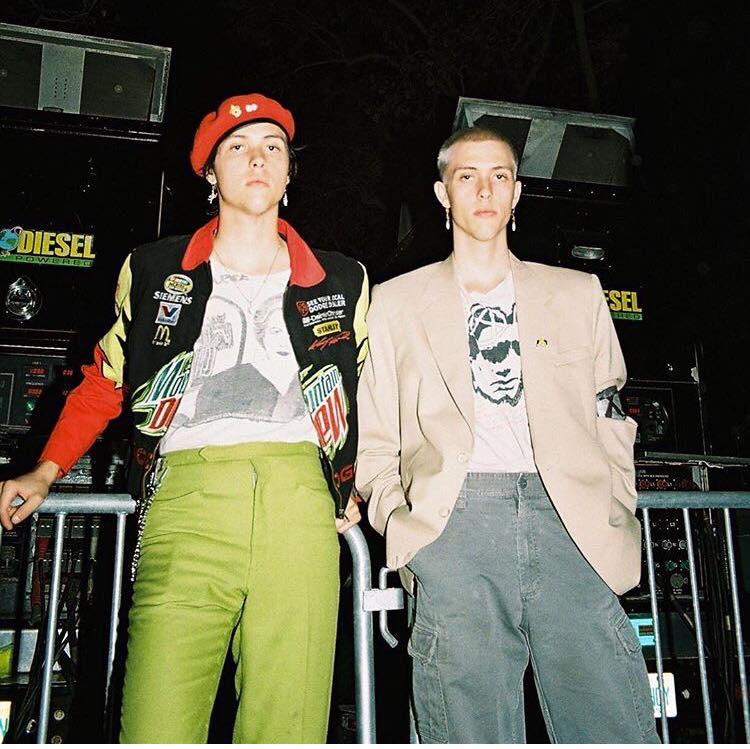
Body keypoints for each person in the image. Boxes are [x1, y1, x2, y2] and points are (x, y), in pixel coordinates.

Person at [0, 93, 369, 743]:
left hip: (299, 505)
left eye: (273, 148)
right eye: (238, 148)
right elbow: (104, 382)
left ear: (289, 172)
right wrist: (45, 469)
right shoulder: (152, 268)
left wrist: (351, 484)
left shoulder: (343, 280)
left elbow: (368, 391)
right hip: (186, 498)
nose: (258, 159)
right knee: (156, 720)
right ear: (210, 175)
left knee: (288, 724)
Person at [356, 125, 658, 743]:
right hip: (454, 528)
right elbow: (375, 433)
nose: (484, 190)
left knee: (610, 722)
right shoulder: (394, 302)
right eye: (466, 176)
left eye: (499, 176)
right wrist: (405, 525)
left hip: (571, 524)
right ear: (442, 193)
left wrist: (614, 507)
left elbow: (609, 414)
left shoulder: (576, 293)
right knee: (467, 730)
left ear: (517, 193)